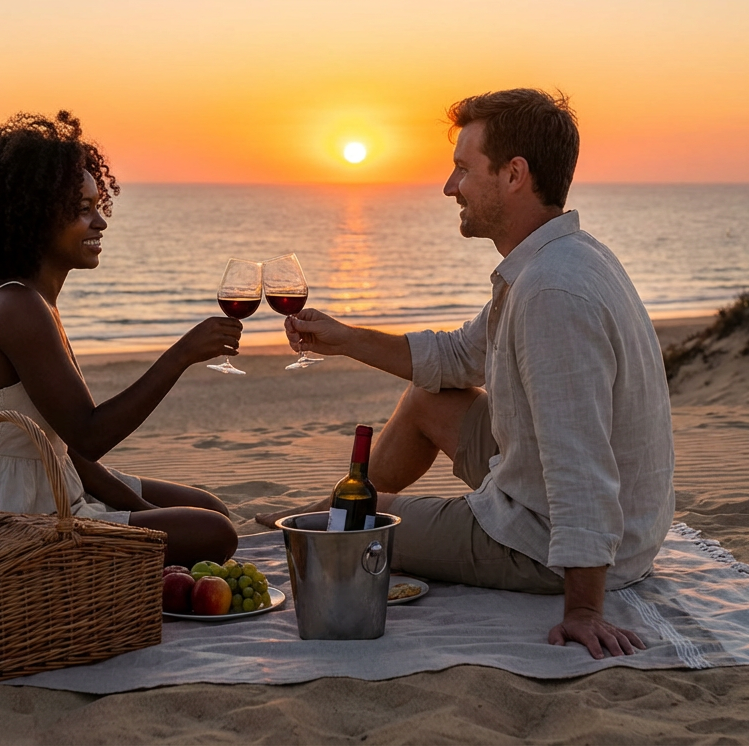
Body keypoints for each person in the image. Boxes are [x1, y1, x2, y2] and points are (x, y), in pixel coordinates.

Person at [260, 90, 674, 659]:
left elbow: (581, 464)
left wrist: (581, 610)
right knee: (428, 401)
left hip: (545, 541)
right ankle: (348, 507)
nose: (449, 187)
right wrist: (346, 340)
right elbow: (455, 359)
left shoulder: (552, 292)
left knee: (358, 528)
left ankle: (342, 523)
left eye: (461, 168)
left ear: (513, 175)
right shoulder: (558, 257)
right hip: (548, 490)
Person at [0, 111, 239, 566]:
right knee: (213, 532)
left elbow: (71, 450)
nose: (101, 223)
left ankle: (130, 565)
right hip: (10, 514)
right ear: (34, 216)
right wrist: (182, 355)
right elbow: (90, 434)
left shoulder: (31, 297)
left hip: (49, 478)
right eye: (82, 210)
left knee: (208, 509)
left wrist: (145, 514)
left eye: (99, 205)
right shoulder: (18, 308)